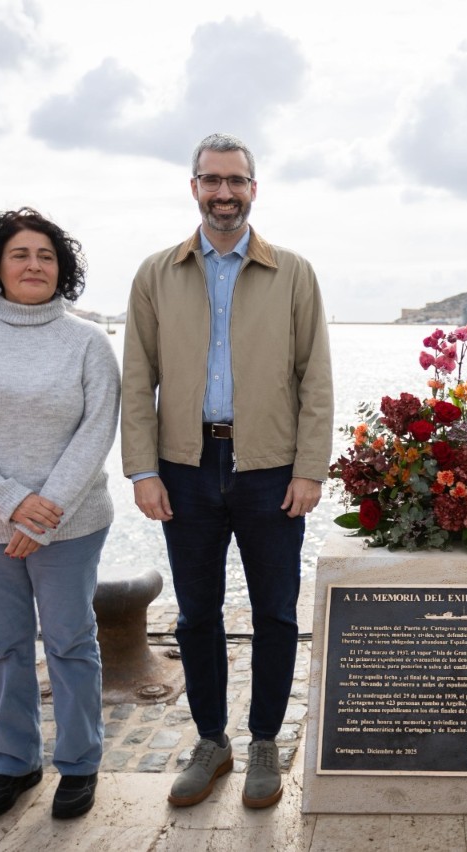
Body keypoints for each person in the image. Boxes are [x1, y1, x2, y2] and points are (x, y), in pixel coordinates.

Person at [121, 132, 333, 810]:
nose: (223, 192)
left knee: (274, 613)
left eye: (235, 181)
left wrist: (310, 469)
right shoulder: (156, 274)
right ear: (193, 188)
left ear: (252, 189)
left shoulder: (293, 272)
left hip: (271, 469)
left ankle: (265, 741)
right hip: (184, 468)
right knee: (195, 617)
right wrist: (141, 471)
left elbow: (315, 379)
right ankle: (211, 742)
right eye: (211, 180)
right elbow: (137, 379)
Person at [0, 208, 120, 820]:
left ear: (62, 270)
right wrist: (12, 503)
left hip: (71, 523)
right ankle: (14, 763)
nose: (34, 265)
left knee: (70, 641)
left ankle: (80, 763)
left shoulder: (89, 340)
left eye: (46, 256)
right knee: (4, 646)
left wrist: (44, 514)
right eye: (20, 254)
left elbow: (97, 431)